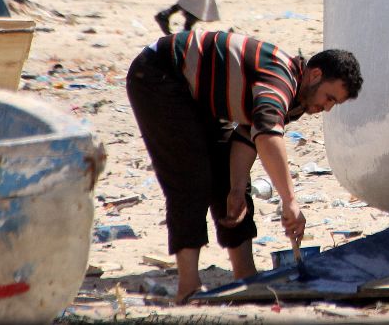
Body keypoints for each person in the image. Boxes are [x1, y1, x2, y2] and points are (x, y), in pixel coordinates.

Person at [125, 30, 363, 303]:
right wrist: (290, 201)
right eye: (329, 98)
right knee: (191, 179)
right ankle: (188, 288)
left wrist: (236, 187)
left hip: (200, 95)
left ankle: (245, 278)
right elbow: (267, 136)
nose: (328, 108)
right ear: (315, 75)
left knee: (226, 181)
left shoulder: (299, 100)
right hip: (159, 74)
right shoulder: (280, 81)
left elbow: (247, 136)